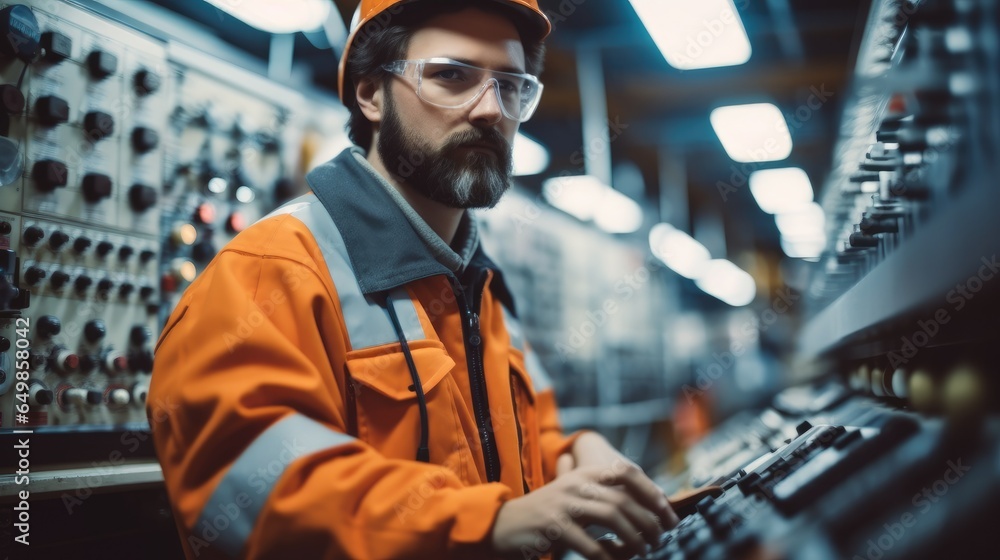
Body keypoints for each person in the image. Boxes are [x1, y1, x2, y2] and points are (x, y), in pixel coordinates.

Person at [149, 1, 679, 558]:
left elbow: (523, 442)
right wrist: (483, 524)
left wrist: (578, 450)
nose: (489, 110)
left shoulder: (478, 284)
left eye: (512, 86)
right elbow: (260, 497)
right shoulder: (269, 273)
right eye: (452, 76)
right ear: (371, 94)